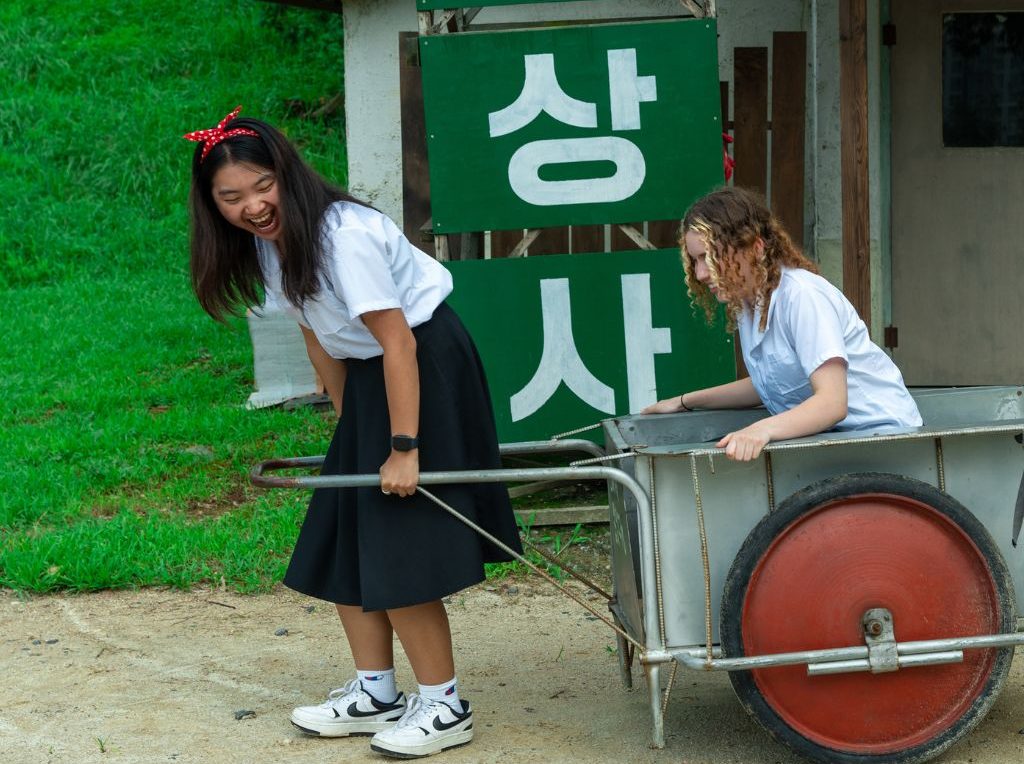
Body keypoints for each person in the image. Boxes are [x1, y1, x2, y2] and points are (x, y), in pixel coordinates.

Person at [184, 106, 522, 759]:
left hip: (423, 363)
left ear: (286, 173)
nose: (252, 205)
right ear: (212, 206)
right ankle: (376, 693)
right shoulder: (271, 245)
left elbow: (398, 342)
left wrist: (402, 447)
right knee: (345, 530)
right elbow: (316, 334)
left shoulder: (343, 235)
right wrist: (349, 424)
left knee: (399, 541)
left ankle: (445, 706)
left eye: (262, 186)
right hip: (372, 379)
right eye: (231, 197)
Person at [643, 186, 921, 461]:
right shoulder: (748, 303)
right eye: (695, 261)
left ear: (755, 248)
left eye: (709, 257)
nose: (701, 273)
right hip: (837, 442)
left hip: (882, 440)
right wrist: (683, 402)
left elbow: (832, 403)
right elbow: (771, 383)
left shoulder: (802, 296)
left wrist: (760, 430)